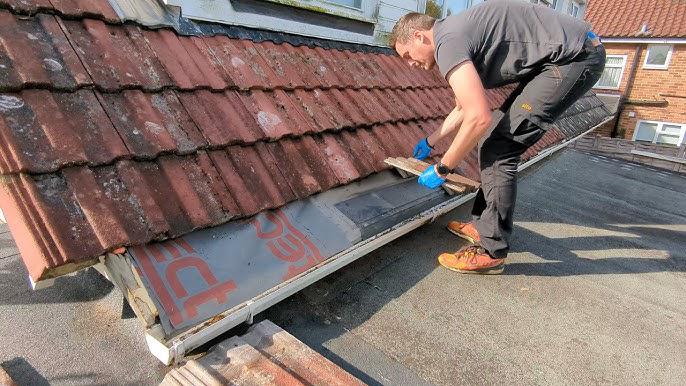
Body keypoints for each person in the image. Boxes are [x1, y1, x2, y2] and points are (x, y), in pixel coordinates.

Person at [389, 0, 605, 274]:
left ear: (419, 36)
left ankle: (491, 250)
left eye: (407, 54)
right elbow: (462, 108)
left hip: (576, 57)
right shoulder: (453, 35)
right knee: (493, 138)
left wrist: (443, 168)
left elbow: (479, 116)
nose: (410, 64)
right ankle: (484, 226)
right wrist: (430, 141)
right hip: (565, 57)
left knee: (500, 148)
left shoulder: (447, 42)